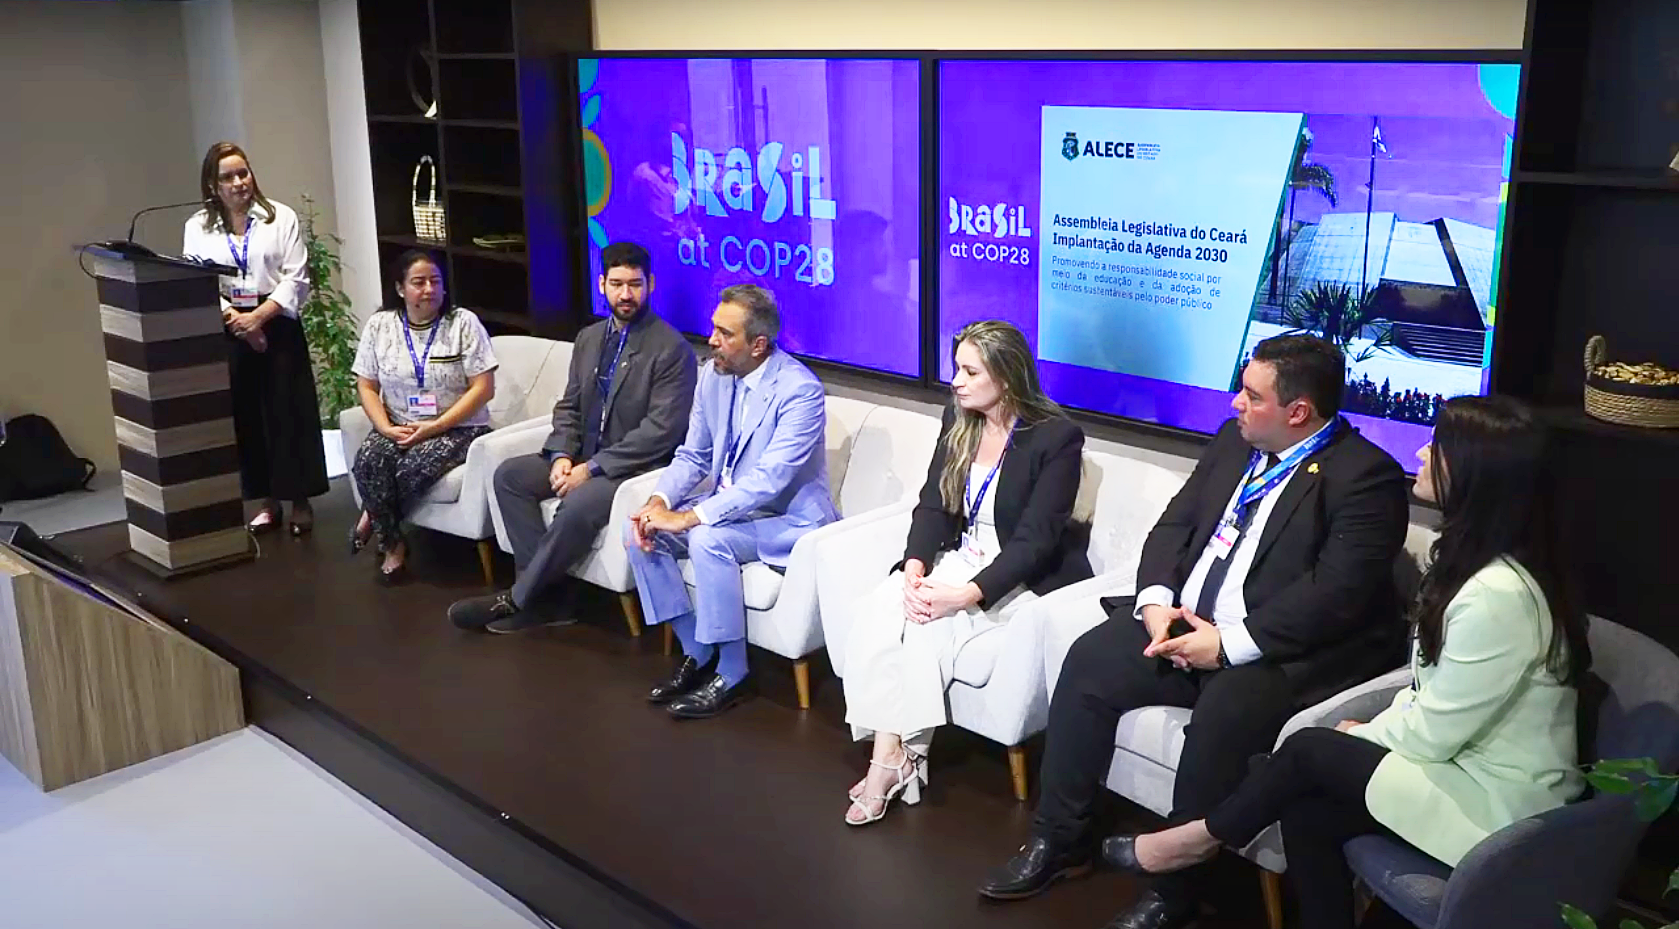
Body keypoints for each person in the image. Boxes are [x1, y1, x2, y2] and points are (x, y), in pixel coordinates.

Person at [1100, 395, 1589, 929]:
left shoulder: (1497, 595)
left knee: (1309, 750)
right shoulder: (1473, 566)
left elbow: (1435, 733)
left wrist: (1363, 735)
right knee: (1308, 806)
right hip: (1457, 768)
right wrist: (1367, 733)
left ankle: (1197, 839)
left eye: (1438, 446)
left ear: (1476, 474)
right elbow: (1430, 692)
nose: (1421, 454)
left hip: (1496, 800)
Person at [978, 335, 1411, 929]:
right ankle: (1060, 839)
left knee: (1225, 716)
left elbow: (1335, 595)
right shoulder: (1235, 442)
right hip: (1183, 622)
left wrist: (1227, 646)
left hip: (1274, 652)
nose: (1235, 403)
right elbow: (1174, 526)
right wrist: (1156, 601)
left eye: (1252, 395)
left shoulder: (1365, 478)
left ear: (1298, 412)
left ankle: (1174, 891)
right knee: (1091, 659)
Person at [841, 320, 1091, 826]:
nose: (956, 381)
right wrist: (915, 565)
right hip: (962, 556)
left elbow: (1036, 542)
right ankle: (896, 758)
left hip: (1018, 578)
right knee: (879, 609)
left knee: (926, 628)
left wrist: (965, 596)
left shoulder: (1056, 438)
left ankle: (890, 763)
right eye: (957, 368)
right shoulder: (959, 418)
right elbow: (933, 502)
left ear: (1007, 374)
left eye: (970, 371)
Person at [447, 242, 696, 632]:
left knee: (578, 504)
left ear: (650, 285)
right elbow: (569, 406)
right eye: (617, 284)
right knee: (509, 477)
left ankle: (516, 599)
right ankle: (549, 600)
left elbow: (660, 432)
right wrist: (562, 454)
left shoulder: (671, 349)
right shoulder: (589, 338)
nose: (626, 294)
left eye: (635, 284)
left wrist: (591, 469)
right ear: (602, 284)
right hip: (582, 454)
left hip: (630, 468)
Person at [624, 284, 833, 720]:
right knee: (640, 531)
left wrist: (690, 517)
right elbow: (694, 454)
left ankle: (734, 672)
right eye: (714, 328)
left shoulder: (800, 392)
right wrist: (659, 502)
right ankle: (697, 651)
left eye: (725, 333)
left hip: (786, 520)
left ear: (758, 344)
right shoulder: (713, 376)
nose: (712, 340)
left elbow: (769, 480)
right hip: (728, 509)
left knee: (706, 538)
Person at [181, 141, 329, 535]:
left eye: (243, 173)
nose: (238, 182)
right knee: (249, 416)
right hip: (230, 324)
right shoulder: (198, 227)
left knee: (287, 412)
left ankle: (299, 500)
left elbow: (297, 277)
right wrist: (237, 322)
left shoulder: (280, 217)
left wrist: (259, 319)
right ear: (213, 185)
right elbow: (197, 281)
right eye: (228, 177)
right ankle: (266, 501)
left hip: (277, 321)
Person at [347, 251, 498, 584]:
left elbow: (483, 388)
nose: (429, 289)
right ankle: (392, 537)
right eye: (419, 282)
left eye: (435, 281)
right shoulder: (380, 325)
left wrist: (436, 426)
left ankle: (383, 533)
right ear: (400, 288)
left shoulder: (463, 323)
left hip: (457, 428)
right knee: (367, 462)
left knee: (409, 470)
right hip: (398, 423)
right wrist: (384, 427)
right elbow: (367, 386)